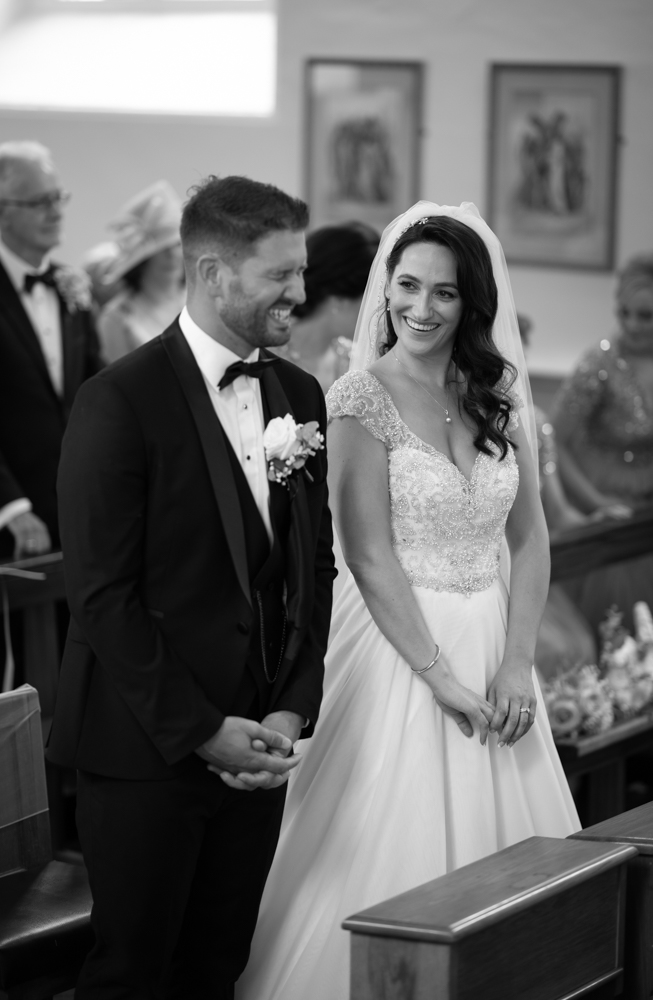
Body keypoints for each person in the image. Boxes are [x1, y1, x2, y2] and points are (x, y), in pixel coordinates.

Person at [237, 203, 580, 1000]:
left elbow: (529, 540)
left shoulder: (496, 389)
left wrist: (514, 664)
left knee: (515, 859)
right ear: (384, 289)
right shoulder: (360, 397)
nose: (421, 309)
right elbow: (366, 553)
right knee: (383, 850)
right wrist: (441, 676)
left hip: (496, 640)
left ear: (473, 303)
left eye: (445, 293)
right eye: (407, 287)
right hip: (398, 646)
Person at [45, 175, 336, 998]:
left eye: (301, 271)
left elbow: (314, 570)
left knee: (218, 968)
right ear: (213, 274)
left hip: (260, 750)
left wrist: (289, 708)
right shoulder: (118, 401)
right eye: (280, 274)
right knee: (132, 975)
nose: (300, 293)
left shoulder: (297, 393)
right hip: (145, 752)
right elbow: (102, 598)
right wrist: (204, 730)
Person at [553, 252, 653, 639]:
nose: (632, 326)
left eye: (645, 316)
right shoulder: (598, 364)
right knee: (624, 624)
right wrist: (598, 504)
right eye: (624, 314)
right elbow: (556, 442)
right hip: (613, 509)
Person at [0, 141, 102, 562]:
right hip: (14, 519)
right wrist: (11, 507)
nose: (56, 211)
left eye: (57, 197)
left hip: (78, 508)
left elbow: (97, 387)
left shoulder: (71, 284)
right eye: (39, 201)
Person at [517, 314, 597, 680]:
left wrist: (599, 518)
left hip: (525, 570)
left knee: (576, 647)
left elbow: (559, 512)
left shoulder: (535, 423)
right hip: (479, 573)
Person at [278, 222, 379, 392]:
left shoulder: (356, 364)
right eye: (371, 298)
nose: (377, 310)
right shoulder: (268, 355)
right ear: (339, 299)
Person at [97, 180, 186, 363]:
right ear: (143, 260)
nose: (172, 254)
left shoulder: (204, 300)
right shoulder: (117, 318)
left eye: (177, 244)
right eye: (162, 247)